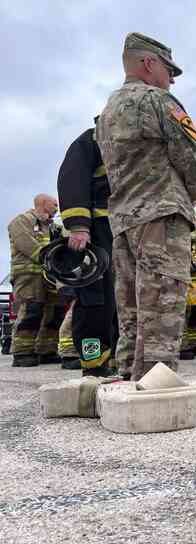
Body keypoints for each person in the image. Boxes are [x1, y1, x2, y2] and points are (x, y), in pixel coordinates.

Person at [96, 32, 196, 380]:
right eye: (168, 69)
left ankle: (129, 376)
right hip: (162, 213)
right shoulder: (159, 102)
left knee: (131, 306)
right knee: (162, 303)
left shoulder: (107, 111)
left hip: (124, 220)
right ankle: (155, 385)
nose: (172, 78)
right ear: (149, 63)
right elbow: (192, 157)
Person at [57, 120, 118, 376]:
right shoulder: (91, 140)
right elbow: (72, 179)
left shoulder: (136, 140)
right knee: (95, 299)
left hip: (124, 228)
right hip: (98, 230)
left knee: (119, 300)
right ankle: (93, 364)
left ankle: (113, 358)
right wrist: (79, 225)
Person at [7, 194, 65, 367]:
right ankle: (22, 352)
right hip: (28, 276)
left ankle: (46, 350)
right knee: (31, 311)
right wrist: (51, 259)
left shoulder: (54, 227)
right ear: (43, 203)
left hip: (50, 276)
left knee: (54, 312)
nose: (57, 208)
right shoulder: (21, 221)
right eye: (54, 204)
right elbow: (27, 245)